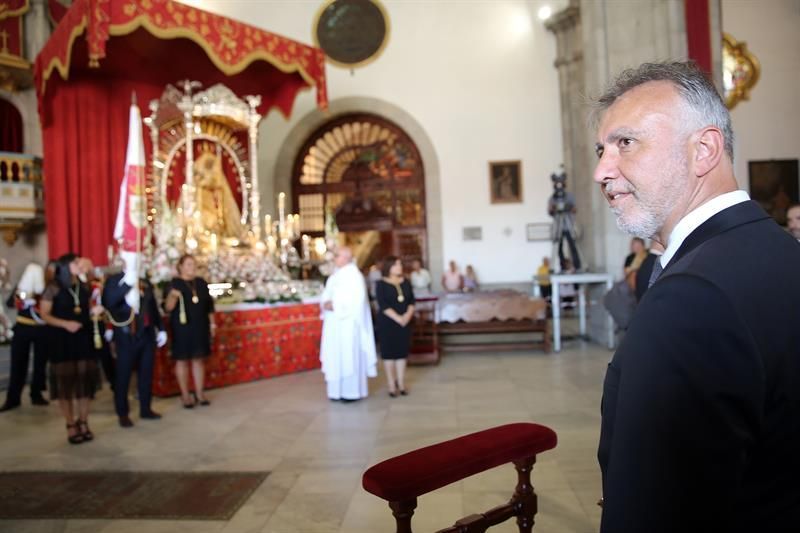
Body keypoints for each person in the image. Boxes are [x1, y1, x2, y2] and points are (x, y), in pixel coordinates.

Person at [593, 61, 800, 532]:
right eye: (601, 149)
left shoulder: (690, 296)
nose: (601, 170)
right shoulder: (778, 249)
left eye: (626, 143)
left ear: (703, 149)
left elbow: (656, 510)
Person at [102, 254, 168, 427]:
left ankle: (145, 408)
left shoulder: (144, 282)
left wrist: (160, 328)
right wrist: (127, 284)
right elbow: (109, 302)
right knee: (123, 375)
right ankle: (122, 412)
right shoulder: (114, 280)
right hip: (125, 334)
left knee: (146, 373)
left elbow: (152, 307)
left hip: (146, 334)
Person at [38, 254, 97, 444]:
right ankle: (70, 424)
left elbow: (93, 298)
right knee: (65, 385)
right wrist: (64, 324)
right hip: (61, 339)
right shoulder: (53, 288)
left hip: (83, 337)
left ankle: (83, 420)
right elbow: (44, 314)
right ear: (65, 266)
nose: (80, 264)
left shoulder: (83, 285)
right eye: (76, 262)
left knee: (84, 382)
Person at [319, 247, 377, 401]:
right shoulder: (336, 275)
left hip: (348, 324)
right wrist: (325, 303)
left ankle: (351, 392)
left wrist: (335, 305)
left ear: (346, 257)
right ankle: (335, 392)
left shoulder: (354, 275)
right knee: (335, 356)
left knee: (348, 356)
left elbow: (356, 300)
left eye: (337, 256)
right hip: (334, 324)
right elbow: (327, 294)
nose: (334, 259)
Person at [163, 255, 215, 408]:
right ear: (180, 267)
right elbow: (168, 308)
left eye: (194, 265)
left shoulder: (201, 283)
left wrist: (213, 325)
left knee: (198, 359)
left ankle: (199, 393)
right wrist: (172, 297)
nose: (192, 267)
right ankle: (185, 395)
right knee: (182, 360)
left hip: (200, 326)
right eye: (189, 264)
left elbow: (209, 307)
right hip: (182, 327)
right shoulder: (174, 283)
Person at [0, 263, 49, 412]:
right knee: (18, 363)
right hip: (22, 327)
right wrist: (24, 295)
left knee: (40, 364)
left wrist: (36, 297)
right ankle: (13, 398)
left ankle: (36, 393)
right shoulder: (21, 287)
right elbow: (11, 303)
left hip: (41, 329)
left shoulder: (45, 289)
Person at [375, 256, 415, 397]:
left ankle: (401, 383)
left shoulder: (406, 282)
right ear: (389, 267)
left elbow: (411, 301)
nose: (399, 267)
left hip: (404, 322)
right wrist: (398, 318)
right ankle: (391, 384)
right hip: (388, 323)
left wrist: (406, 317)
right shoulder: (380, 284)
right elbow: (383, 304)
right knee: (389, 354)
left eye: (400, 264)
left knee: (401, 353)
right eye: (396, 264)